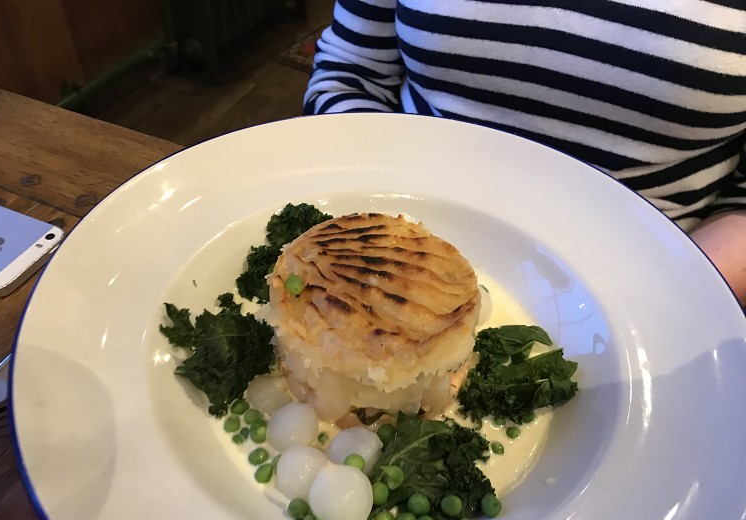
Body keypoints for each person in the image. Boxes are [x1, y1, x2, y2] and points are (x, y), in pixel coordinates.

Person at [303, 0, 746, 305]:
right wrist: (371, 235)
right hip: (395, 249)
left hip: (650, 286)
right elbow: (350, 72)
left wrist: (671, 307)